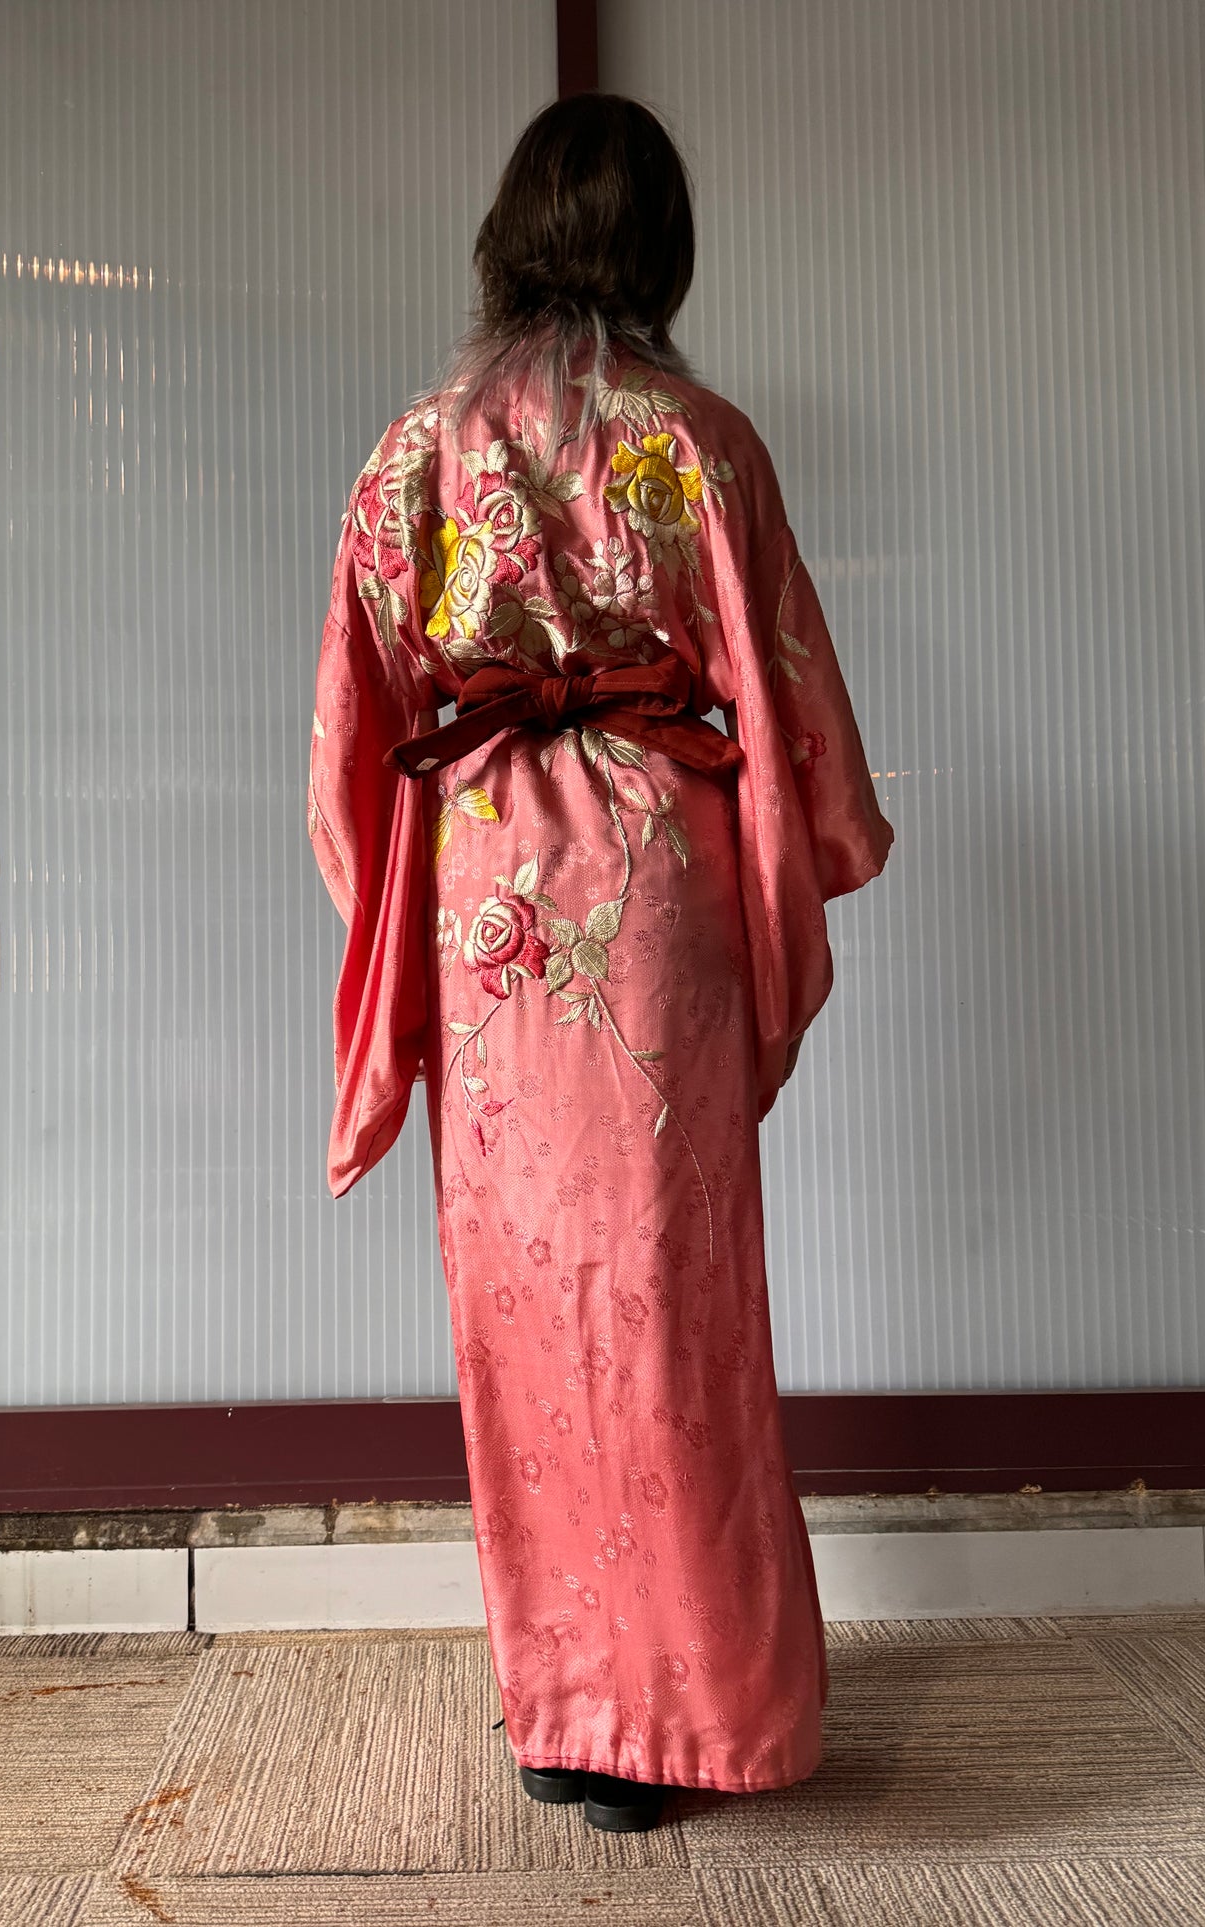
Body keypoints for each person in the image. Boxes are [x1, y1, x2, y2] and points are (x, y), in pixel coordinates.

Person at [307, 94, 894, 1834]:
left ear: (505, 233)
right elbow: (786, 703)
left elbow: (357, 731)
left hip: (489, 898)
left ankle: (564, 1716)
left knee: (522, 1303)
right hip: (652, 890)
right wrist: (826, 852)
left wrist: (388, 886)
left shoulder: (413, 452)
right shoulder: (700, 443)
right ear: (663, 247)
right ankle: (691, 1715)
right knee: (672, 1303)